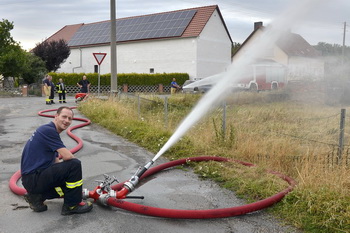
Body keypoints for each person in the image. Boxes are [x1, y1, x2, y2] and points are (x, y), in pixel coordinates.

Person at [21, 106, 93, 215]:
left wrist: (70, 182)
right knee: (75, 165)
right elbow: (68, 157)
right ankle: (71, 206)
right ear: (56, 116)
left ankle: (36, 197)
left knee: (69, 186)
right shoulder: (48, 130)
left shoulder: (51, 132)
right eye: (64, 117)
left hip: (33, 179)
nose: (67, 121)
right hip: (34, 178)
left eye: (70, 118)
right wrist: (75, 173)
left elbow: (56, 162)